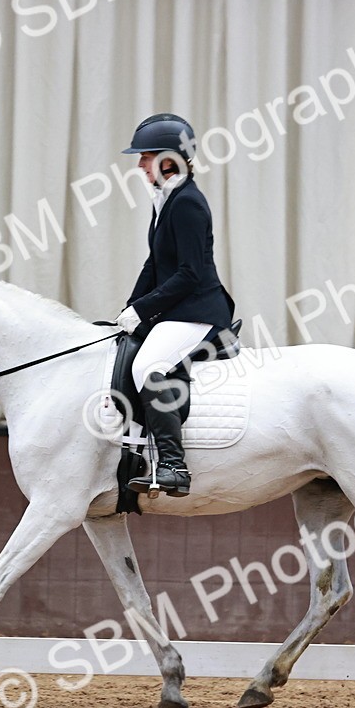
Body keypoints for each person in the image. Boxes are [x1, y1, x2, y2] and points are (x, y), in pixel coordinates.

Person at [115, 113, 235, 498]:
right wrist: (130, 308)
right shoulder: (166, 200)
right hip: (177, 308)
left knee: (150, 366)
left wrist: (144, 310)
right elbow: (155, 263)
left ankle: (172, 465)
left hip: (199, 310)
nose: (139, 165)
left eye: (145, 156)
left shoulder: (188, 204)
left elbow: (189, 274)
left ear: (170, 159)